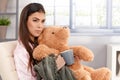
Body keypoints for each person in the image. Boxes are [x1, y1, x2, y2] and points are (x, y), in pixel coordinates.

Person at [13, 3, 65, 80]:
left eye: (42, 21)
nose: (40, 26)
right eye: (35, 20)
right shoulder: (21, 52)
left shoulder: (42, 43)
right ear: (25, 21)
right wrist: (55, 67)